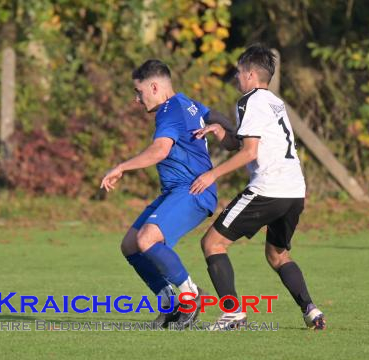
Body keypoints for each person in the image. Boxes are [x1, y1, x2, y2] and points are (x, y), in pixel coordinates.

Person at [191, 45, 326, 330]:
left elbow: (250, 153)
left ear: (251, 74)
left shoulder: (248, 101)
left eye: (239, 72)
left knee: (212, 243)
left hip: (269, 188)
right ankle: (311, 310)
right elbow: (246, 145)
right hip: (294, 191)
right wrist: (221, 133)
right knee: (278, 255)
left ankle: (233, 313)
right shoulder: (274, 102)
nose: (237, 77)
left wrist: (212, 174)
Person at [100, 59, 234, 328]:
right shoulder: (186, 102)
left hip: (193, 190)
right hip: (177, 190)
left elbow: (160, 150)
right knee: (130, 245)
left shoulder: (169, 110)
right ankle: (169, 304)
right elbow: (215, 117)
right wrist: (232, 134)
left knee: (147, 239)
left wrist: (121, 167)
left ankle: (190, 295)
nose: (137, 100)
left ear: (153, 86)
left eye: (138, 92)